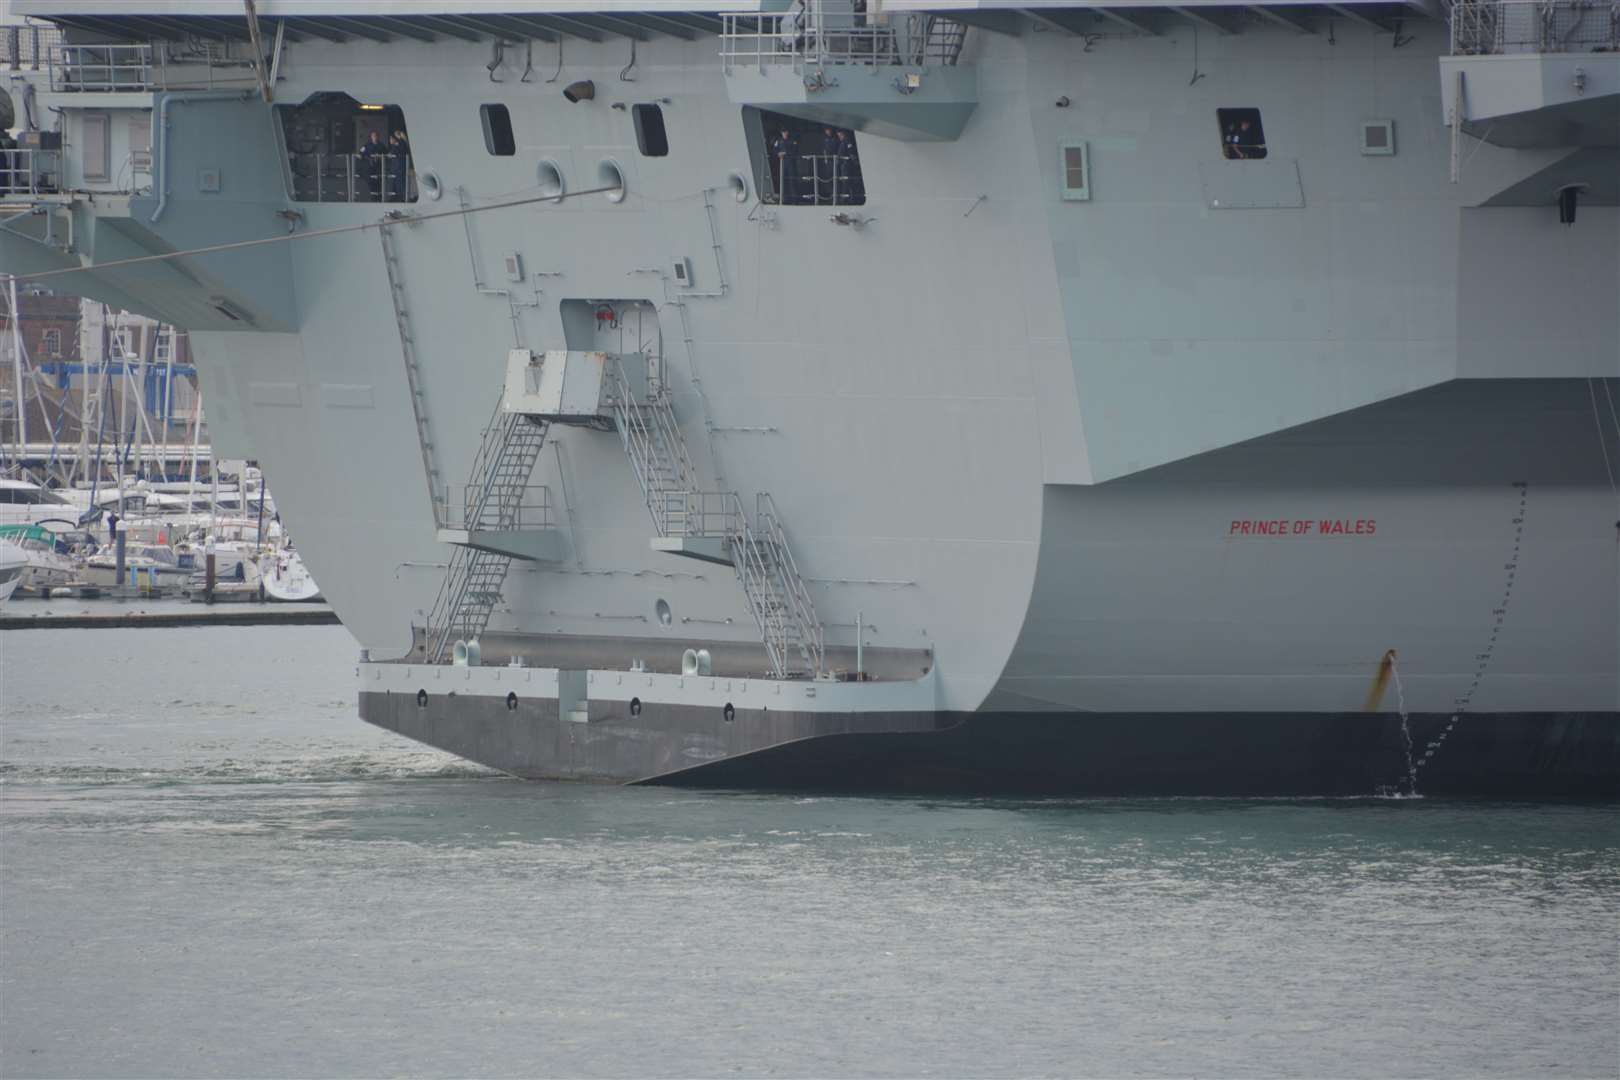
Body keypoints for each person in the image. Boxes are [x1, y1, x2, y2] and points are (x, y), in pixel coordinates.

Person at [769, 127, 798, 204]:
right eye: (783, 132)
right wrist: (778, 153)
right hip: (783, 162)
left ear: (787, 133)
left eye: (785, 132)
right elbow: (775, 149)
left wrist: (785, 153)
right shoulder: (778, 141)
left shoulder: (792, 140)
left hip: (790, 162)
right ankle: (785, 199)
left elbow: (795, 149)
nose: (784, 133)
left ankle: (794, 200)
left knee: (792, 180)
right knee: (783, 180)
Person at [357, 130, 385, 201]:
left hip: (378, 167)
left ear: (378, 137)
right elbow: (360, 153)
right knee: (371, 183)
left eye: (376, 136)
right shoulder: (367, 145)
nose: (374, 137)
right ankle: (373, 198)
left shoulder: (381, 145)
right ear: (371, 137)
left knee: (379, 183)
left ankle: (379, 198)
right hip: (369, 167)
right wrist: (362, 156)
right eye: (373, 136)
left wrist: (380, 156)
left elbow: (386, 154)